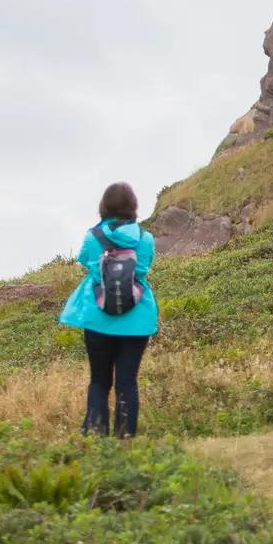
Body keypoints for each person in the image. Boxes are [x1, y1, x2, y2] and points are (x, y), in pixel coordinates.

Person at [58, 182, 158, 437]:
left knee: (99, 381)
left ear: (103, 206)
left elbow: (83, 259)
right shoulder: (145, 239)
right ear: (133, 206)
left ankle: (95, 437)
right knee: (127, 382)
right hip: (136, 320)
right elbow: (144, 268)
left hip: (97, 317)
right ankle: (124, 440)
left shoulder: (92, 237)